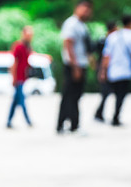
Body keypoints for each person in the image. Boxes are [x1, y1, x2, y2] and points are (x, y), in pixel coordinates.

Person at [98, 15, 131, 126]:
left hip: (112, 71)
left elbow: (106, 56)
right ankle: (115, 116)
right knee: (121, 95)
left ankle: (102, 113)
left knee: (109, 93)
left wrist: (103, 71)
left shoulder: (113, 36)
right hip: (125, 71)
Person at [56, 0, 93, 135]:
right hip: (73, 65)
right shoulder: (71, 24)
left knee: (74, 96)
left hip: (80, 64)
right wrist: (75, 66)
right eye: (85, 8)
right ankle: (66, 125)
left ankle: (69, 125)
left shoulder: (82, 25)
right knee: (70, 96)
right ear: (77, 8)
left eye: (89, 9)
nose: (87, 12)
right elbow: (68, 45)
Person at [7, 26, 33, 128]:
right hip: (18, 78)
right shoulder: (18, 46)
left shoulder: (28, 47)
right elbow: (15, 63)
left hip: (23, 78)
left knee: (15, 101)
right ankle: (28, 121)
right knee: (21, 100)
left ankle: (8, 122)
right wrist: (13, 77)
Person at [93, 21, 117, 123]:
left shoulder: (108, 39)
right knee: (105, 92)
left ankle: (100, 113)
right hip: (104, 69)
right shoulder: (105, 40)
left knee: (107, 93)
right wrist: (100, 69)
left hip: (108, 69)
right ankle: (99, 113)